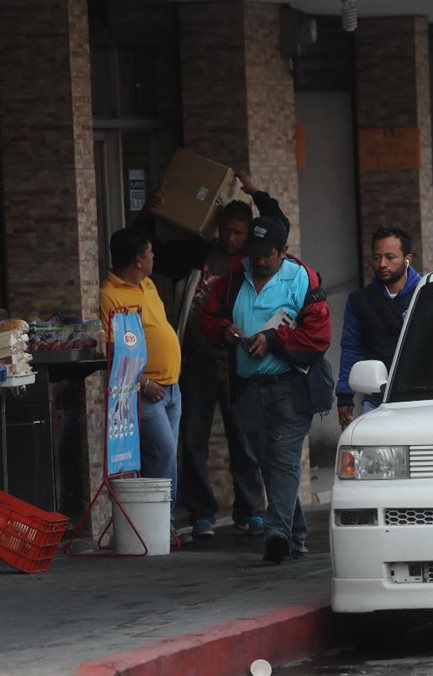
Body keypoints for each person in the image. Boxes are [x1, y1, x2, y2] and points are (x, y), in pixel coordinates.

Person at [200, 212, 332, 565]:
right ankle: (297, 536)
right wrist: (226, 329)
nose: (258, 260)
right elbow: (208, 318)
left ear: (284, 251)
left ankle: (277, 534)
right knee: (269, 465)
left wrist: (273, 340)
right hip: (247, 390)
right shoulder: (233, 276)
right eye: (253, 252)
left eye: (266, 255)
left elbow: (319, 336)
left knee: (285, 461)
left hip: (290, 388)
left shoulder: (302, 278)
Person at [175, 174, 270, 539]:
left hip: (237, 361)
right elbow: (160, 243)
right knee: (192, 438)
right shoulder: (201, 254)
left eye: (239, 233)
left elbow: (278, 222)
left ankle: (251, 508)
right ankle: (201, 513)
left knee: (243, 438)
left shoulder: (254, 260)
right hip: (198, 359)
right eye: (226, 231)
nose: (231, 239)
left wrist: (256, 193)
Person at [99, 228, 183, 509]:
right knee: (164, 452)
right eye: (150, 252)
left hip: (172, 386)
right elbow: (114, 352)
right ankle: (163, 521)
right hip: (144, 389)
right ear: (138, 260)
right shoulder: (109, 295)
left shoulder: (148, 284)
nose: (153, 256)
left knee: (164, 456)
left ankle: (159, 521)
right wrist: (144, 383)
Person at [337, 226, 421, 429]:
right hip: (376, 399)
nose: (382, 264)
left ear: (408, 258)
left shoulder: (426, 293)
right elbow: (351, 348)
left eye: (390, 257)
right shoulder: (360, 301)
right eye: (376, 257)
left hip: (425, 399)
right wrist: (345, 396)